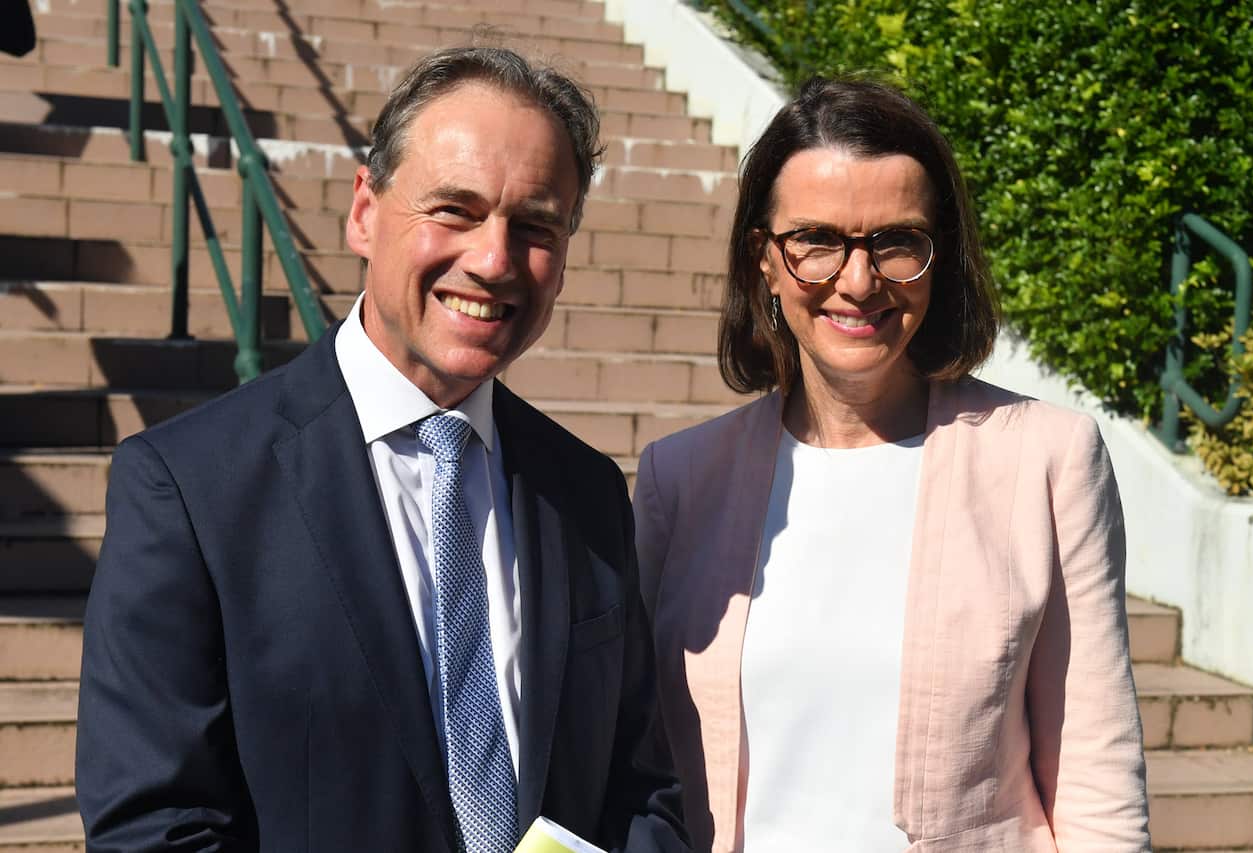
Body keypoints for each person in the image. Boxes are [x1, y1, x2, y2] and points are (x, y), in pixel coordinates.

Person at [76, 47, 689, 853]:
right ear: (364, 211)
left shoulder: (586, 491)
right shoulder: (190, 489)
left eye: (536, 226)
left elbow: (639, 790)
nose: (494, 259)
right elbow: (154, 828)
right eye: (455, 210)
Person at [633, 77, 1150, 852]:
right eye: (816, 240)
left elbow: (1096, 778)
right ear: (764, 261)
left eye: (895, 241)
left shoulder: (1047, 458)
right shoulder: (679, 479)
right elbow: (635, 762)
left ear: (938, 256)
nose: (858, 280)